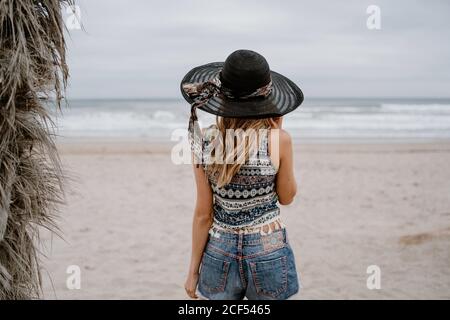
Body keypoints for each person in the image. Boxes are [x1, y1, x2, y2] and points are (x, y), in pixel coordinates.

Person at [180, 49, 304, 300]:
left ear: (224, 100)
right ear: (266, 100)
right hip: (267, 247)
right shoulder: (279, 140)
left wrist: (193, 270)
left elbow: (204, 213)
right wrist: (279, 134)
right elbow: (287, 197)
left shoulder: (203, 140)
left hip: (219, 248)